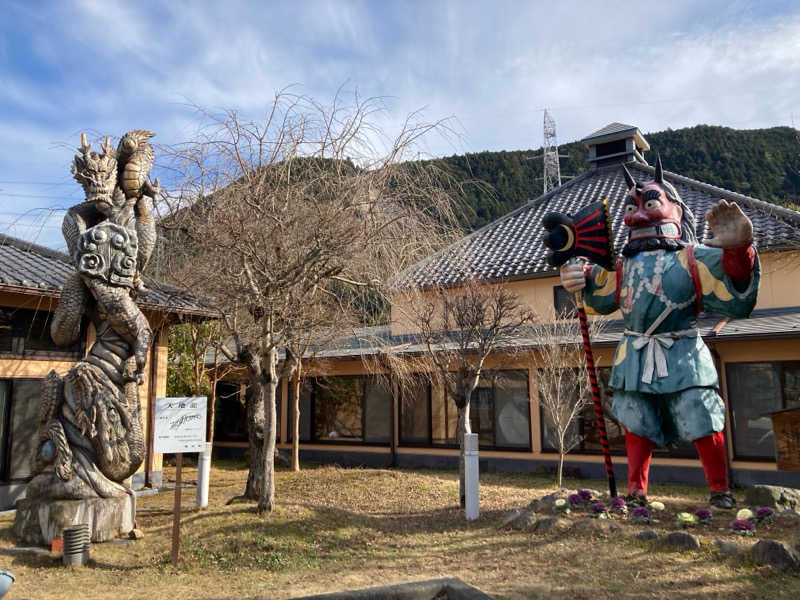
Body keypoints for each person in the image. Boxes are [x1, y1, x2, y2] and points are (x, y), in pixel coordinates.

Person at [559, 157, 759, 508]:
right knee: (636, 416)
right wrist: (575, 275)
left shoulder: (694, 257)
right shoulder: (620, 265)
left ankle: (719, 489)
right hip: (636, 351)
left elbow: (735, 282)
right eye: (632, 206)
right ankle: (636, 491)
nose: (638, 213)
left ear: (676, 211)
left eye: (650, 202)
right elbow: (596, 292)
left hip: (683, 349)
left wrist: (738, 250)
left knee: (699, 410)